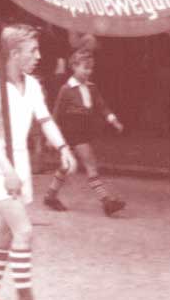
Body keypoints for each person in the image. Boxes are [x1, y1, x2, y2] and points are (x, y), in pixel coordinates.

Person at [0, 24, 78, 300]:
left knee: (4, 237)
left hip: (18, 160)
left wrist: (63, 147)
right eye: (33, 51)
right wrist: (6, 171)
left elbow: (44, 119)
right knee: (24, 231)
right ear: (14, 54)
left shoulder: (31, 85)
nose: (39, 56)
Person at [43, 48, 125, 216]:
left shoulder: (91, 88)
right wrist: (51, 137)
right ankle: (106, 201)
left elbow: (102, 106)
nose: (88, 71)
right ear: (73, 66)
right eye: (84, 67)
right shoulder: (66, 89)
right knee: (90, 164)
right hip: (72, 130)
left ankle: (50, 195)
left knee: (66, 166)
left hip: (83, 128)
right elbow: (57, 113)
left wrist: (113, 119)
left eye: (90, 68)